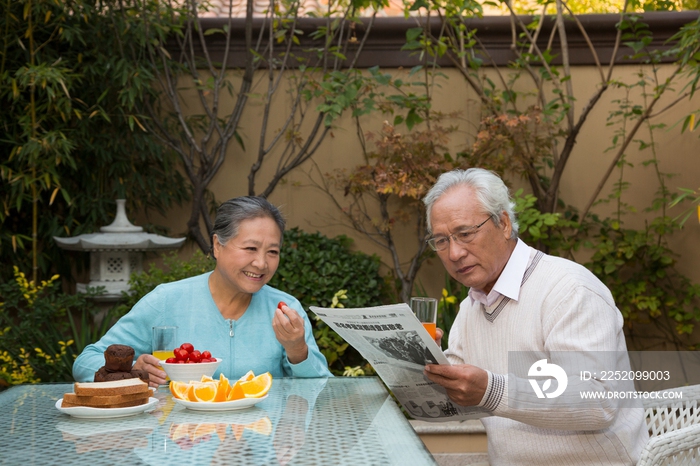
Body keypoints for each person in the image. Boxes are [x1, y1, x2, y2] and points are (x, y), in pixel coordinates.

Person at [421, 168, 649, 465]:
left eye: (465, 234)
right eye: (441, 241)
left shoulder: (569, 290)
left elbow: (597, 401)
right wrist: (430, 365)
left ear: (503, 223)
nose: (454, 253)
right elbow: (461, 397)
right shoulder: (471, 307)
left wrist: (491, 390)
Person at [73, 196, 332, 386]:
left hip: (261, 445)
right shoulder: (166, 300)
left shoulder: (285, 310)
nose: (262, 263)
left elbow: (321, 390)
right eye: (250, 249)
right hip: (183, 447)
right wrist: (130, 371)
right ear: (217, 246)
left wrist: (297, 349)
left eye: (272, 252)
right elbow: (86, 362)